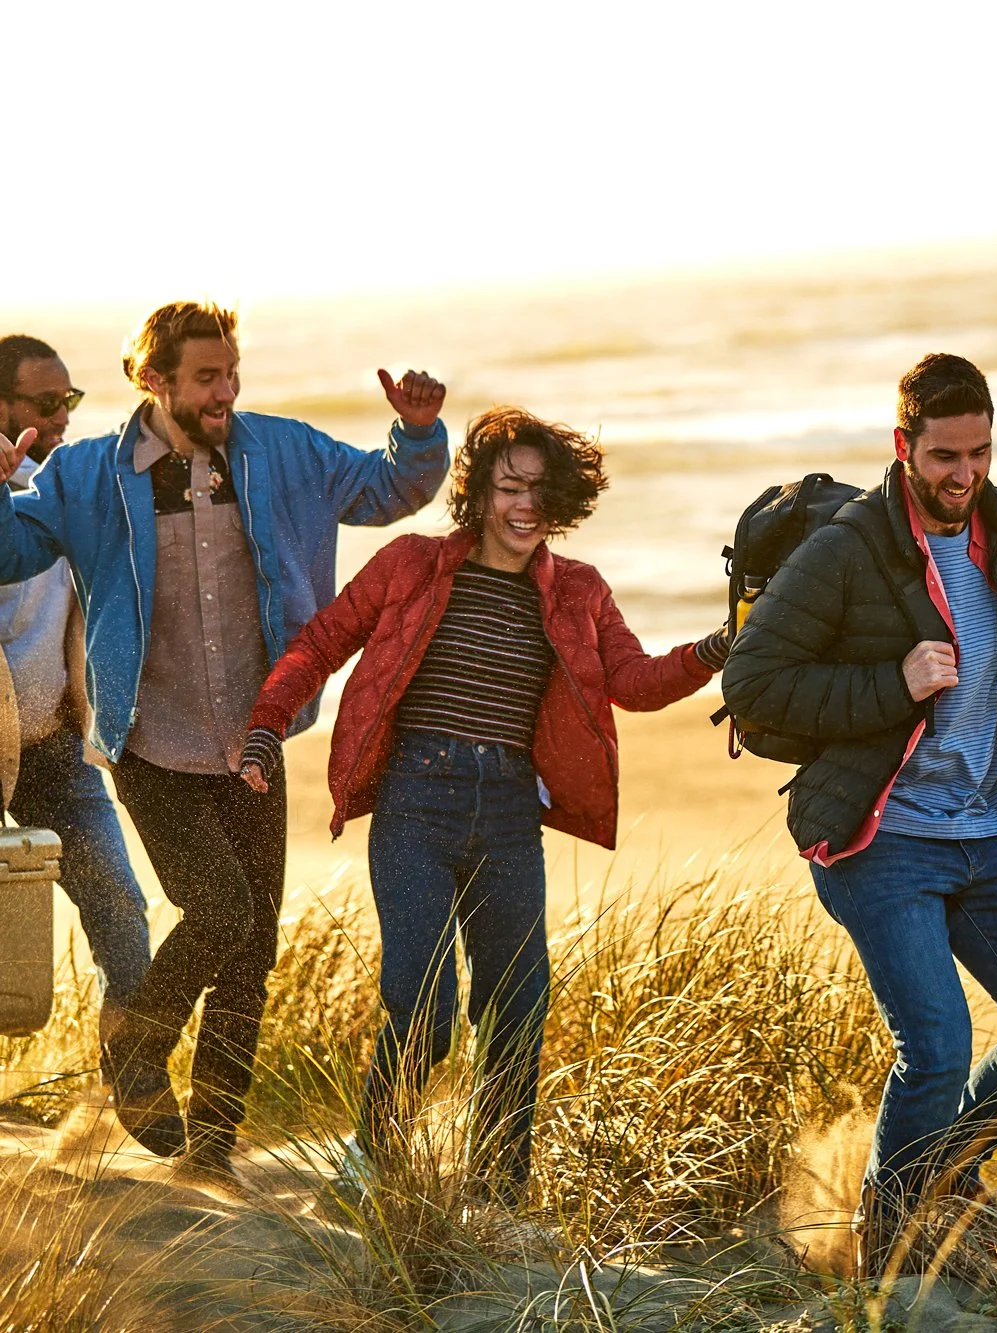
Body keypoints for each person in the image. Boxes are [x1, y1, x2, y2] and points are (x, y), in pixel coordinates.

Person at [721, 353, 997, 1275]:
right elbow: (752, 680)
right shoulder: (848, 547)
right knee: (939, 1044)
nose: (964, 475)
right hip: (879, 838)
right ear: (904, 446)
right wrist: (894, 681)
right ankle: (888, 1245)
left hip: (987, 835)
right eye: (946, 456)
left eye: (981, 453)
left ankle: (943, 1171)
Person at [0, 302, 450, 1181]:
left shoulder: (281, 451)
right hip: (150, 739)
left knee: (253, 949)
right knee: (220, 912)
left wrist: (418, 432)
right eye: (206, 377)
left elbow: (385, 489)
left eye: (232, 373)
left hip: (255, 738)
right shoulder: (91, 473)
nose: (225, 392)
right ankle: (137, 1050)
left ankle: (212, 1146)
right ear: (154, 378)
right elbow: (9, 548)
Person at [239, 406, 729, 1203]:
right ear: (478, 492)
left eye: (540, 488)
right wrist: (267, 726)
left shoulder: (577, 591)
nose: (525, 504)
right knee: (423, 1005)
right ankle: (374, 1157)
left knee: (517, 1007)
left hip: (507, 813)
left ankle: (496, 1192)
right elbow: (321, 642)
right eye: (509, 486)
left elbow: (633, 683)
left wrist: (712, 648)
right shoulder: (411, 564)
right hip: (415, 805)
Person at [0, 335, 151, 1049]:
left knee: (121, 906)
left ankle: (127, 1086)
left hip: (53, 750)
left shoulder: (60, 493)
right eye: (45, 403)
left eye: (69, 400)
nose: (62, 416)